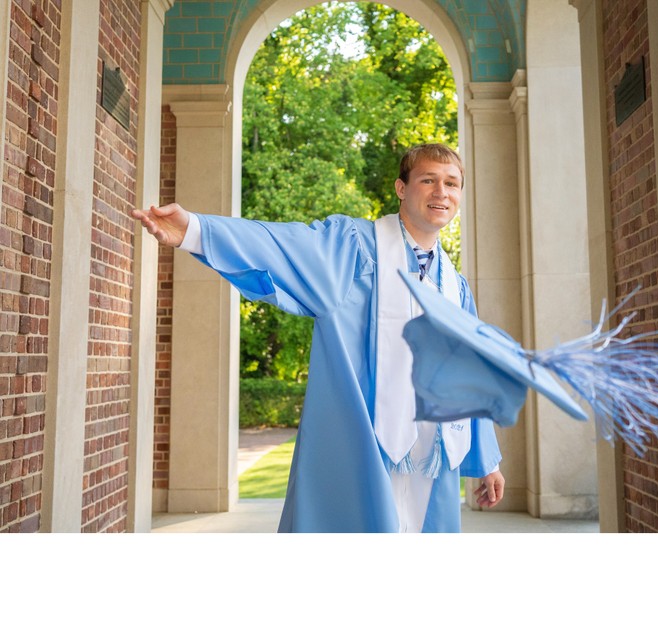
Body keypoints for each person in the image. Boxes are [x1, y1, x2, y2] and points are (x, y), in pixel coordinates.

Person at [132, 143, 504, 532]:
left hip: (435, 459)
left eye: (451, 183)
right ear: (400, 188)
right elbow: (283, 246)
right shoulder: (355, 248)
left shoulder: (455, 287)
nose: (441, 192)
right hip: (366, 447)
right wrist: (195, 230)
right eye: (428, 180)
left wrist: (489, 462)